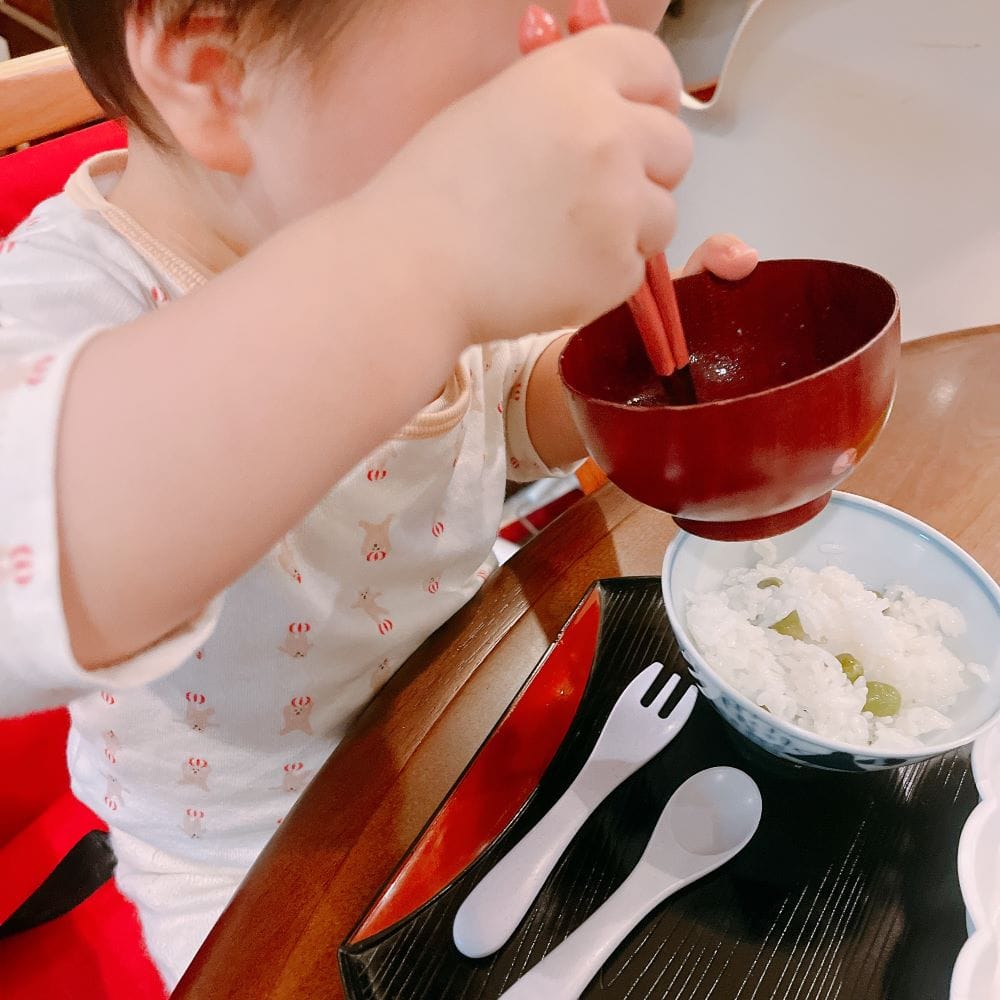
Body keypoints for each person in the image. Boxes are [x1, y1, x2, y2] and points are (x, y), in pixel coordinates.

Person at [0, 0, 757, 986]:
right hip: (251, 853)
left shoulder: (370, 216)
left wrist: (621, 375)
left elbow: (507, 416)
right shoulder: (70, 302)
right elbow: (39, 542)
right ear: (215, 69)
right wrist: (425, 257)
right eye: (506, 100)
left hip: (473, 702)